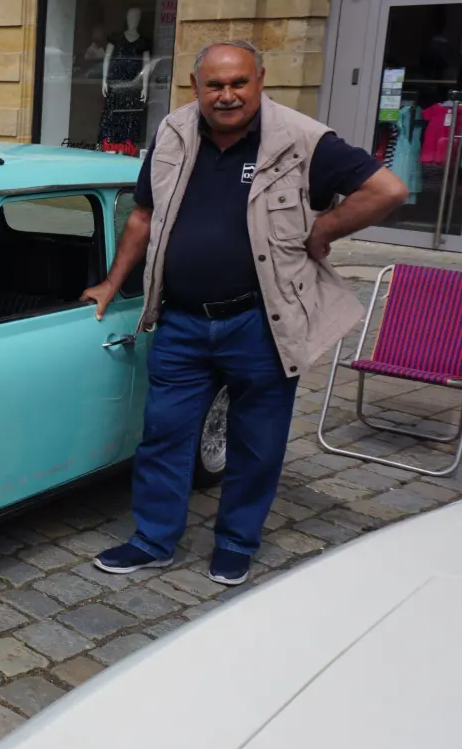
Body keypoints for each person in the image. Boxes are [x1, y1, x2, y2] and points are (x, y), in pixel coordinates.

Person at [83, 40, 408, 587]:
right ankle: (153, 539)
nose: (227, 95)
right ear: (196, 87)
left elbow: (388, 190)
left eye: (238, 83)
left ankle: (235, 542)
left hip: (260, 322)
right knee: (164, 435)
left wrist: (325, 229)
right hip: (182, 320)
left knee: (257, 441)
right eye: (215, 85)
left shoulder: (302, 139)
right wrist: (112, 284)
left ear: (260, 80)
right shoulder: (173, 132)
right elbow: (143, 215)